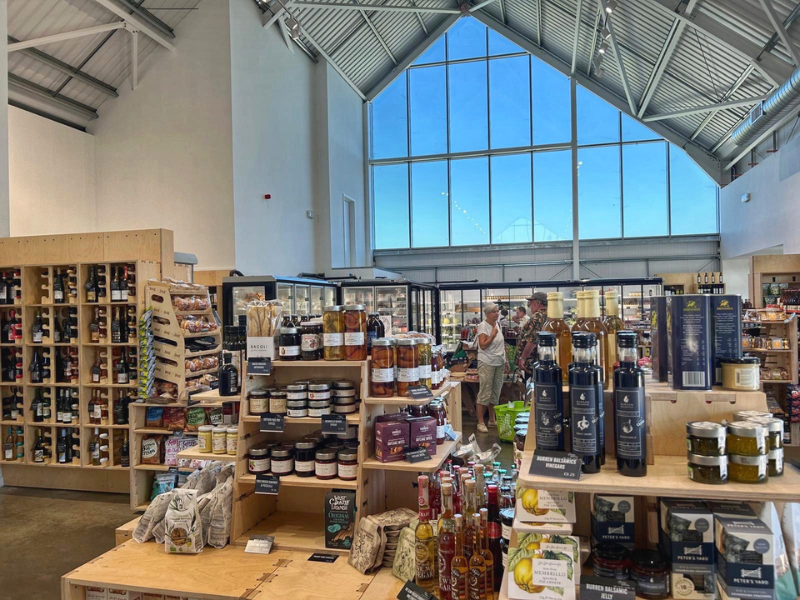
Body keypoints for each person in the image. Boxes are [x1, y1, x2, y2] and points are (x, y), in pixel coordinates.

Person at [476, 302, 507, 433]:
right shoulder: (483, 326)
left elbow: (501, 345)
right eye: (494, 311)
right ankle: (480, 422)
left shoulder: (497, 324)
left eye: (497, 311)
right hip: (487, 362)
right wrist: (493, 334)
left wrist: (506, 360)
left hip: (499, 362)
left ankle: (492, 419)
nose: (497, 313)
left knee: (495, 391)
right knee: (485, 392)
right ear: (487, 313)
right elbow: (482, 345)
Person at [516, 292, 548, 374]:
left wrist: (523, 358)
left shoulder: (537, 317)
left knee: (531, 380)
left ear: (538, 303)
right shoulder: (549, 315)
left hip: (532, 360)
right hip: (543, 358)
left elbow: (532, 340)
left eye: (531, 302)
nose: (529, 305)